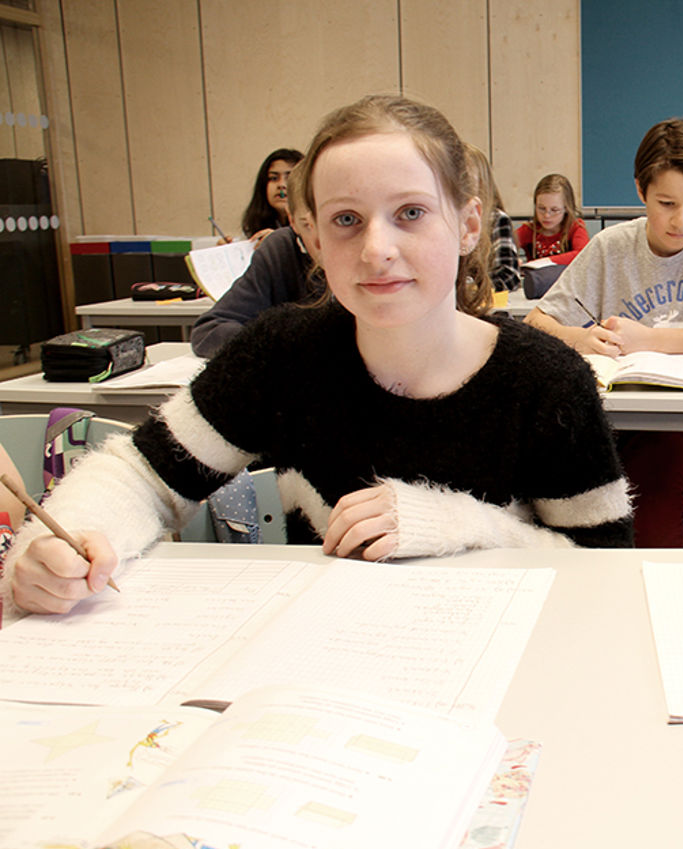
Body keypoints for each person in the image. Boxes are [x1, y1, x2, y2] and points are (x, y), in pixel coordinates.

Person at [3, 94, 633, 616]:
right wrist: (61, 547)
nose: (376, 248)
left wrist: (459, 523)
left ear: (469, 226)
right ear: (310, 236)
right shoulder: (283, 354)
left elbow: (604, 566)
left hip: (506, 658)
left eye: (411, 213)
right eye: (346, 220)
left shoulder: (547, 380)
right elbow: (145, 476)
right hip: (323, 661)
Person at [526, 117, 683, 547]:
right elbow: (537, 323)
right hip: (608, 415)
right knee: (566, 507)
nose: (682, 221)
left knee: (653, 508)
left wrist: (650, 340)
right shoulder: (610, 246)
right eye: (666, 204)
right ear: (641, 191)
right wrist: (581, 339)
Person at [191, 168, 325, 357]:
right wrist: (280, 344)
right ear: (292, 219)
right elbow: (209, 331)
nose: (321, 241)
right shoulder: (281, 249)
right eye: (308, 225)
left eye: (341, 221)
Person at [465, 145, 522, 292]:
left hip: (485, 307)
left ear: (482, 184)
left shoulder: (496, 220)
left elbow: (509, 276)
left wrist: (472, 289)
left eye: (465, 180)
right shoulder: (446, 220)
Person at [516, 173, 590, 265]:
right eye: (541, 208)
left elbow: (583, 255)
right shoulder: (529, 230)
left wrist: (544, 262)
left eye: (554, 210)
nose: (547, 215)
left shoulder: (575, 228)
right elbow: (502, 247)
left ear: (566, 208)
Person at [239, 148, 303, 243]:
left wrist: (280, 240)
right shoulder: (255, 225)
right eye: (274, 178)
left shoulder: (313, 225)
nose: (281, 185)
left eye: (289, 178)